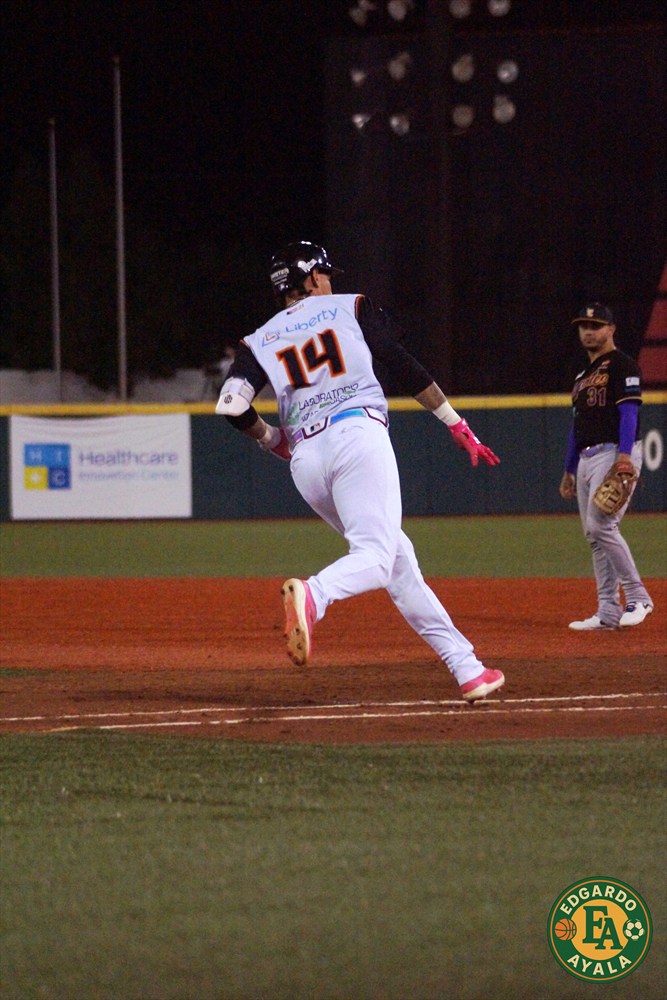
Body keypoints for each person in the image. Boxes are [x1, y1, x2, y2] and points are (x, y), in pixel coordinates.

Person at [216, 241, 504, 702]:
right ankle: (315, 594)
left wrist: (271, 439)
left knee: (397, 561)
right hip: (356, 436)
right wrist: (454, 422)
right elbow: (400, 361)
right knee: (376, 556)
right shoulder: (351, 307)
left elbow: (231, 404)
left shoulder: (260, 339)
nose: (331, 281)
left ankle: (467, 668)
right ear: (313, 278)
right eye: (326, 274)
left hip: (306, 461)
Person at [559, 302, 653, 630]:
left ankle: (639, 597)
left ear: (611, 329)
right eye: (584, 326)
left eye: (596, 326)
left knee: (602, 526)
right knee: (594, 534)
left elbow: (629, 413)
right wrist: (569, 469)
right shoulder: (582, 376)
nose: (588, 331)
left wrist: (625, 457)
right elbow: (578, 426)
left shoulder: (622, 365)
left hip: (614, 453)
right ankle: (608, 611)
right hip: (586, 458)